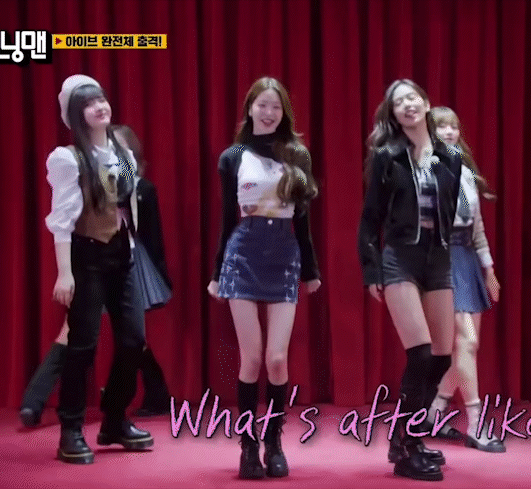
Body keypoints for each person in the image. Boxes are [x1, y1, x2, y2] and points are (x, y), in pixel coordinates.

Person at [21, 124, 173, 428]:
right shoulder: (87, 180)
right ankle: (33, 402)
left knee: (133, 337)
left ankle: (154, 395)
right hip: (93, 260)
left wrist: (158, 276)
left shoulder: (142, 188)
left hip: (130, 262)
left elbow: (152, 236)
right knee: (71, 331)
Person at [207, 77, 321, 480]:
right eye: (262, 105)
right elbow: (226, 218)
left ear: (284, 112)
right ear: (250, 109)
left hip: (284, 252)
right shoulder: (233, 157)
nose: (269, 112)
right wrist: (217, 273)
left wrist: (310, 270)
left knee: (276, 359)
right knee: (252, 358)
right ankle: (248, 445)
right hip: (244, 252)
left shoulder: (297, 155)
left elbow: (303, 220)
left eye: (276, 106)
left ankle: (274, 441)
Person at [358, 80, 463, 481]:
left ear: (426, 104)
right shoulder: (387, 157)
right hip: (399, 258)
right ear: (393, 114)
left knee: (442, 356)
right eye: (399, 102)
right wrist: (371, 270)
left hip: (438, 260)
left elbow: (449, 213)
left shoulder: (450, 157)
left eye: (412, 98)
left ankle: (406, 435)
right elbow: (370, 218)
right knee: (419, 353)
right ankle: (408, 446)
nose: (407, 105)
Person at [45, 75, 153, 464]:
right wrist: (65, 273)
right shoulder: (67, 158)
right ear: (77, 114)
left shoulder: (122, 152)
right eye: (90, 103)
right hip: (86, 255)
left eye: (102, 99)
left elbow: (127, 205)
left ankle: (115, 420)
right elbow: (62, 220)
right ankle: (71, 429)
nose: (99, 107)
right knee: (83, 345)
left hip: (122, 254)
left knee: (133, 339)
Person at [424, 107, 504, 453]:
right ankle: (475, 424)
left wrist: (489, 270)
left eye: (454, 126)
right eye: (441, 126)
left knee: (467, 347)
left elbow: (478, 229)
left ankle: (433, 412)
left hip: (467, 259)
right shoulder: (423, 170)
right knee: (466, 342)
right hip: (440, 258)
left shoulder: (467, 174)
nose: (449, 132)